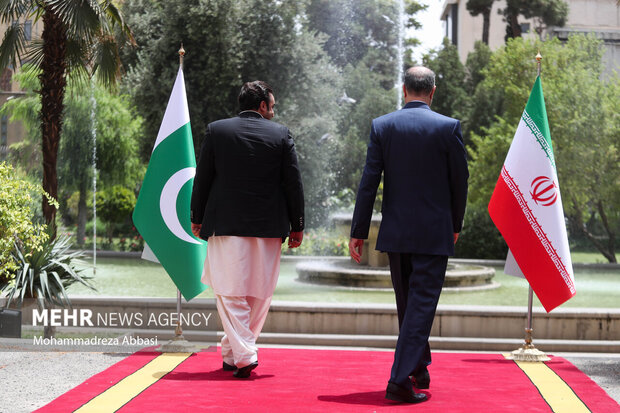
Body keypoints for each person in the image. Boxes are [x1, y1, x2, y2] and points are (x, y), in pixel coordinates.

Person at [349, 66, 468, 403]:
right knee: (420, 307)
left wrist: (359, 231)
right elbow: (460, 182)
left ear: (404, 90)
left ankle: (418, 366)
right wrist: (455, 225)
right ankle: (399, 381)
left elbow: (368, 183)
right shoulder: (448, 128)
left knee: (410, 306)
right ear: (432, 91)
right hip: (433, 233)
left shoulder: (382, 126)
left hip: (397, 233)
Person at [190, 80, 304, 378]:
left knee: (230, 292)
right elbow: (293, 183)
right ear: (262, 105)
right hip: (269, 227)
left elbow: (202, 178)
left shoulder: (217, 130)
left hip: (225, 225)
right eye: (273, 106)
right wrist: (298, 225)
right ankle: (239, 354)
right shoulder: (281, 134)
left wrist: (196, 215)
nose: (274, 111)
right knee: (257, 292)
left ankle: (238, 353)